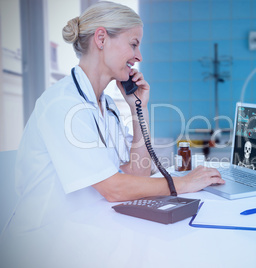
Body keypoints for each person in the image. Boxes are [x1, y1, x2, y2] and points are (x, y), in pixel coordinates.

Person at [2, 1, 224, 237]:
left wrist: (139, 109)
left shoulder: (106, 106)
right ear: (101, 39)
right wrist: (183, 183)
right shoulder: (62, 104)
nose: (138, 56)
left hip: (84, 231)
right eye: (133, 44)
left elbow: (137, 174)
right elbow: (113, 189)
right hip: (43, 240)